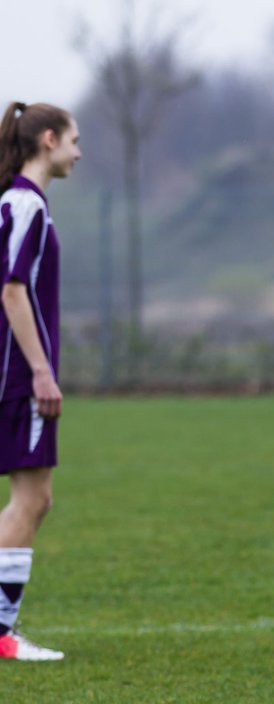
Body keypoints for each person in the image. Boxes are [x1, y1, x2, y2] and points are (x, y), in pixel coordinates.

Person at [0, 103, 80, 662]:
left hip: (16, 373)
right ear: (48, 140)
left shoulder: (19, 203)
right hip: (19, 376)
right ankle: (1, 634)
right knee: (33, 498)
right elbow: (10, 289)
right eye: (75, 141)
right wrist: (41, 371)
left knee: (33, 498)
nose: (78, 153)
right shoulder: (24, 204)